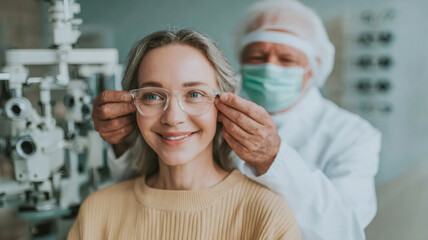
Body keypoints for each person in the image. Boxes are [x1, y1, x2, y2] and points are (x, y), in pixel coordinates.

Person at [92, 0, 381, 239]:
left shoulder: (353, 135)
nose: (270, 67)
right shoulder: (210, 106)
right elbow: (150, 186)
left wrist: (271, 158)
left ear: (314, 67)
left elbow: (346, 230)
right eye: (257, 56)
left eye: (287, 59)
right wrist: (124, 143)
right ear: (240, 60)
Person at [69, 29, 301, 239]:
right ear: (132, 107)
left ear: (224, 108)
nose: (172, 117)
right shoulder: (97, 212)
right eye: (152, 96)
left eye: (195, 94)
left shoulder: (267, 216)